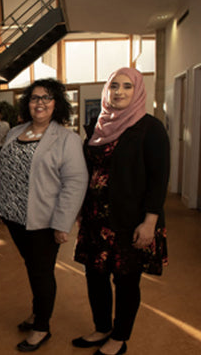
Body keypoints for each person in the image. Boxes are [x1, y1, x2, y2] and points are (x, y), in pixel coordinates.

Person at [72, 68, 169, 355]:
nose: (120, 92)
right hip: (94, 218)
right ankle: (101, 328)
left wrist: (150, 221)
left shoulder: (150, 128)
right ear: (106, 90)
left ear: (137, 91)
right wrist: (79, 211)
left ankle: (119, 336)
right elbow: (87, 171)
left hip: (131, 220)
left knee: (126, 281)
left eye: (128, 86)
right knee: (95, 276)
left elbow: (159, 178)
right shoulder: (97, 126)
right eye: (114, 86)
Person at [0, 78, 88, 352]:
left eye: (47, 97)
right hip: (14, 217)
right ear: (27, 103)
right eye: (34, 98)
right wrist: (0, 204)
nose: (40, 103)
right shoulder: (15, 132)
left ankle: (42, 327)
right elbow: (4, 170)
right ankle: (37, 313)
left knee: (42, 272)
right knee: (33, 268)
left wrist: (62, 223)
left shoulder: (66, 139)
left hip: (44, 220)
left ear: (57, 103)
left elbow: (75, 183)